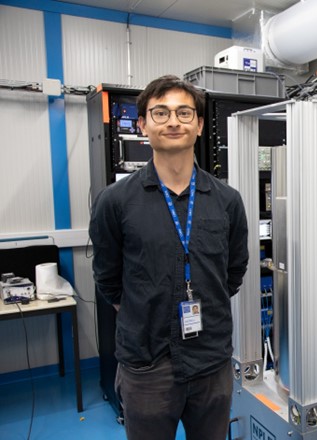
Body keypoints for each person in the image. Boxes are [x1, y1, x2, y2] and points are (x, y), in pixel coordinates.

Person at [89, 75, 249, 440]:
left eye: (183, 112)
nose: (173, 121)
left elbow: (234, 271)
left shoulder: (227, 201)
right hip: (147, 364)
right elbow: (108, 280)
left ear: (200, 125)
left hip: (211, 361)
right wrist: (143, 313)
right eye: (160, 113)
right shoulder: (115, 201)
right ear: (143, 124)